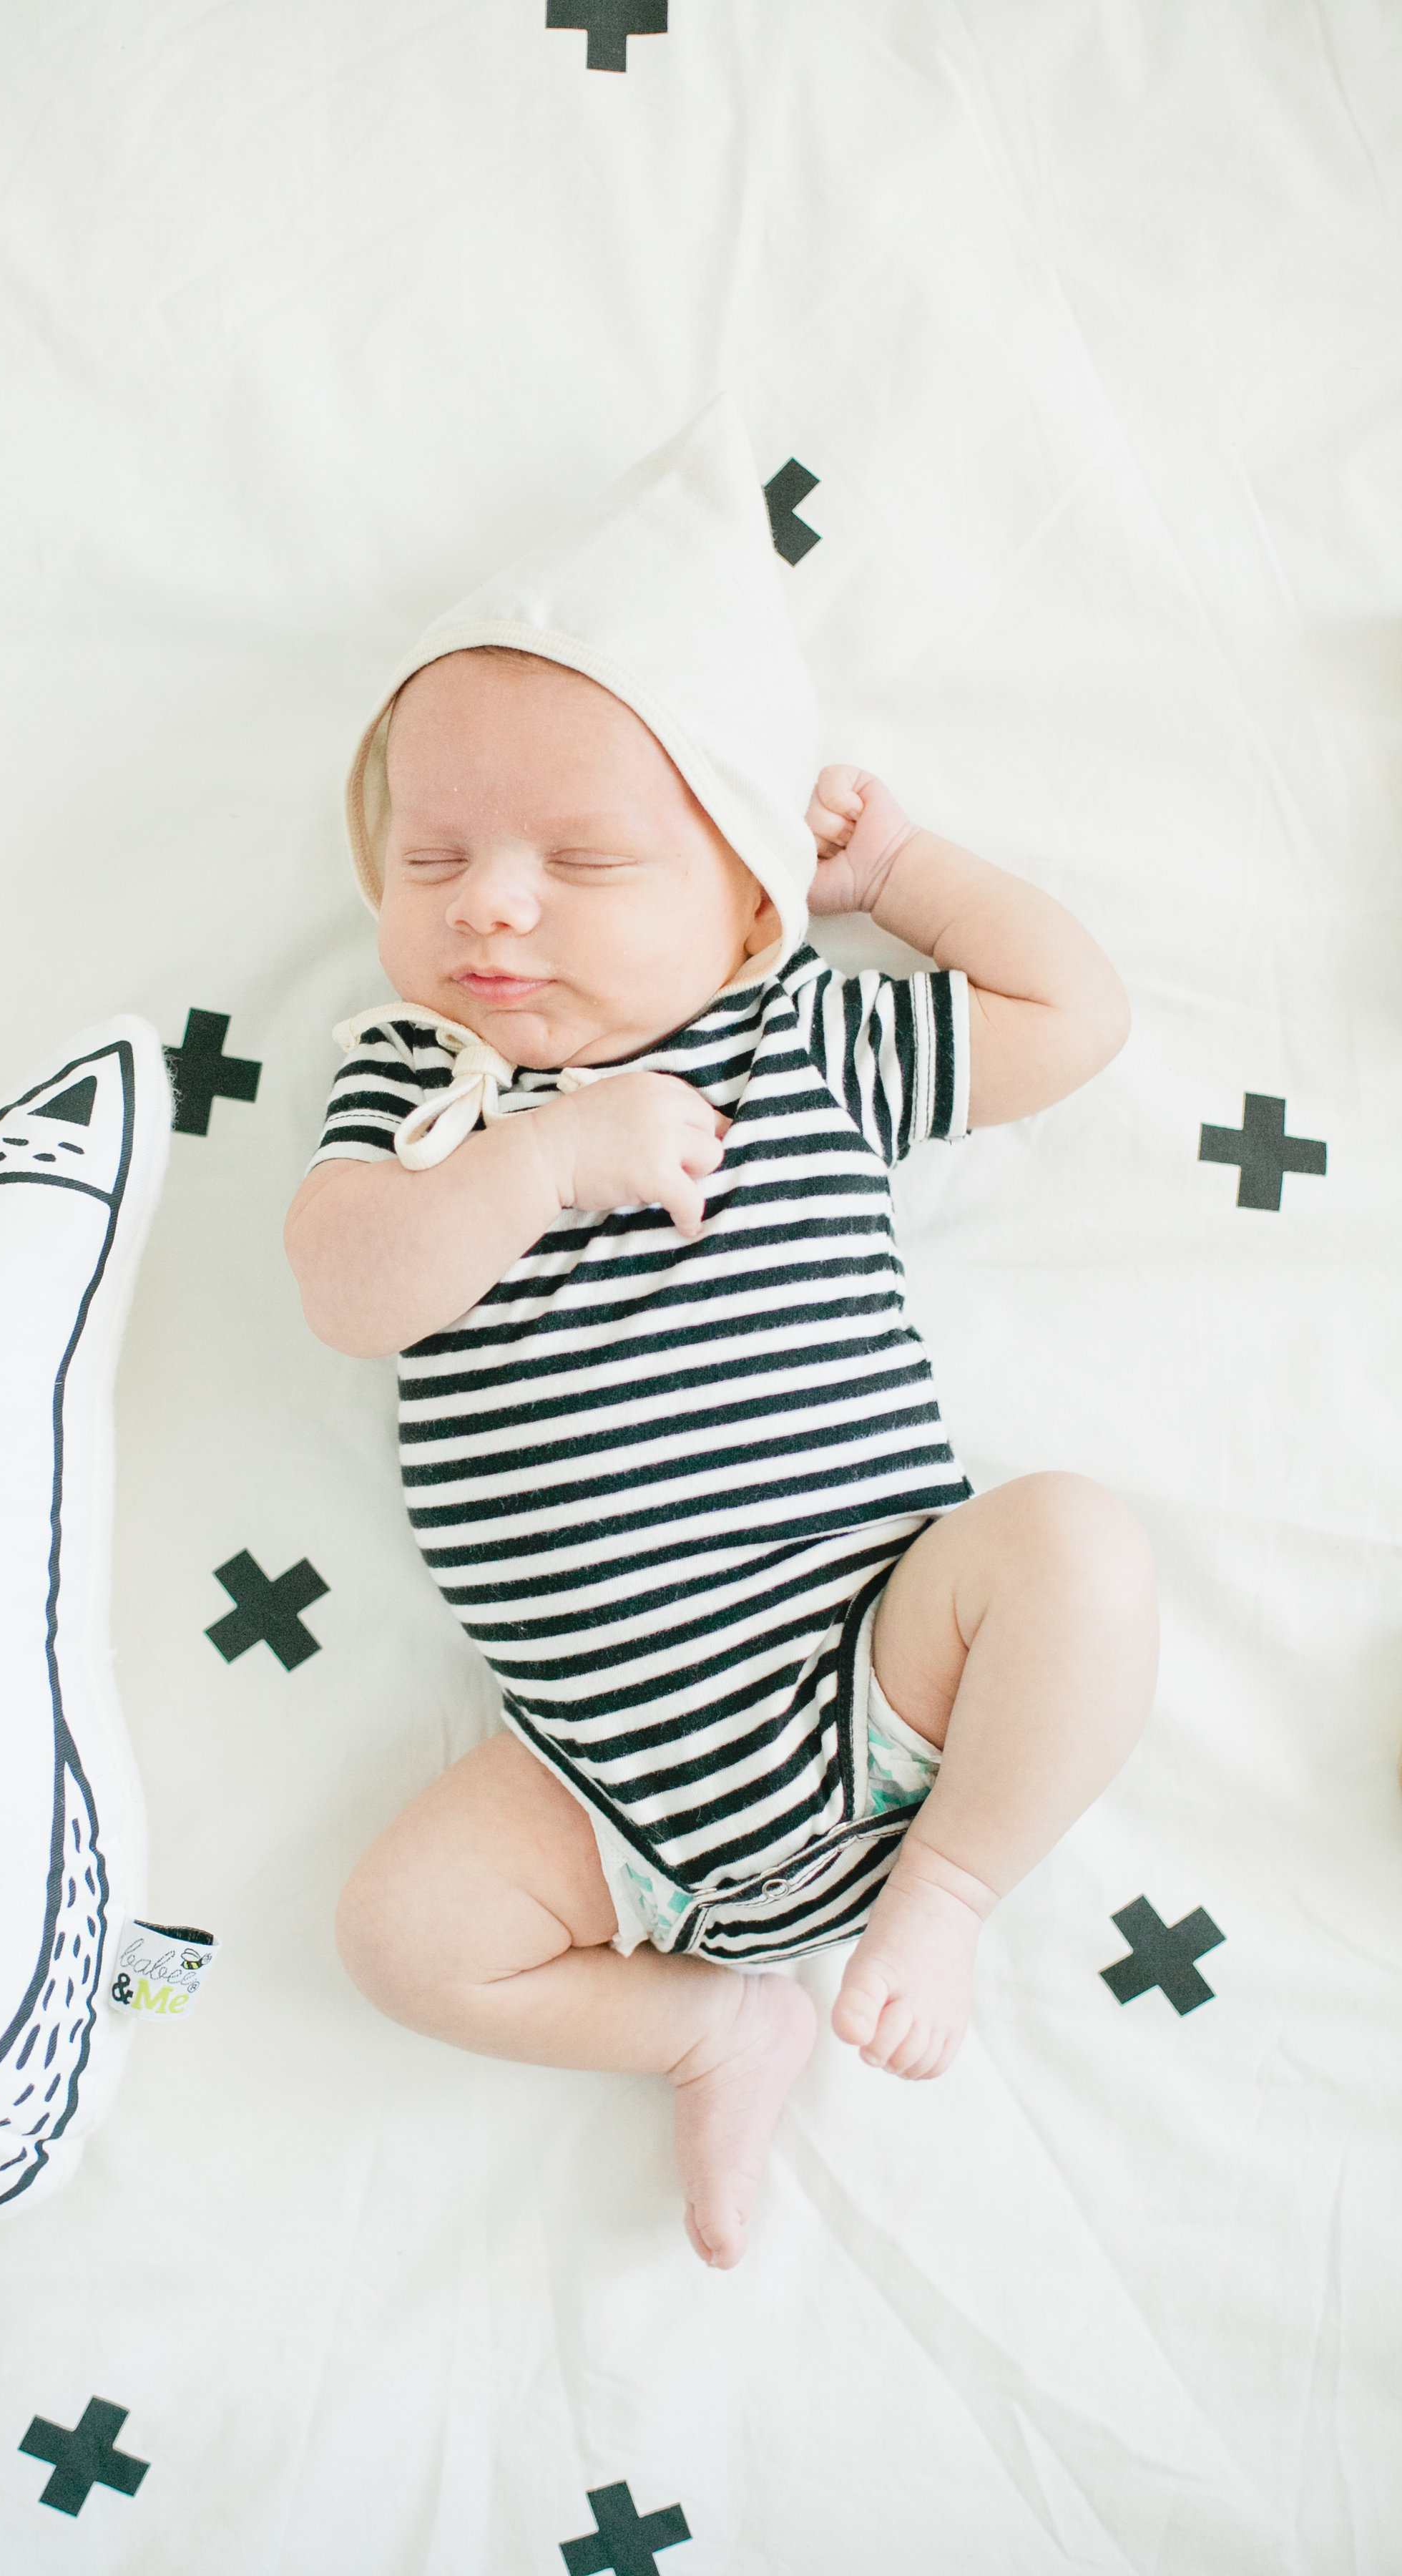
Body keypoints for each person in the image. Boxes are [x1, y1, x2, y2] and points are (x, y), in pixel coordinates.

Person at [285, 399, 1157, 2269]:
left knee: (1076, 1551)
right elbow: (350, 1293)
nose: (491, 903)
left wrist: (903, 877)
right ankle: (706, 2026)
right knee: (399, 1937)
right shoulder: (425, 1089)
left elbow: (1074, 1018)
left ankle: (955, 1893)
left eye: (584, 865)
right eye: (431, 862)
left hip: (884, 1690)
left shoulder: (802, 1041)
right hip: (601, 1798)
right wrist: (542, 1164)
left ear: (749, 894)